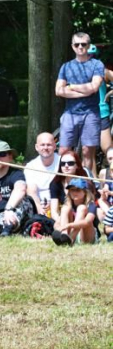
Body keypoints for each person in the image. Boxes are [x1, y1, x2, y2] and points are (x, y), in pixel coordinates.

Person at [55, 32, 104, 171]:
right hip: (70, 113)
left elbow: (94, 87)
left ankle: (84, 183)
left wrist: (71, 87)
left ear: (89, 46)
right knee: (63, 150)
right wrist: (84, 92)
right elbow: (58, 91)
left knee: (87, 151)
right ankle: (65, 183)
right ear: (72, 46)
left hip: (91, 113)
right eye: (77, 44)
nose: (80, 47)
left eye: (83, 44)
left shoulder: (97, 64)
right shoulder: (66, 67)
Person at [52, 178, 98, 245]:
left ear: (85, 192)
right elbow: (57, 223)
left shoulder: (91, 205)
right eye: (72, 190)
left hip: (87, 236)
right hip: (69, 232)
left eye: (78, 190)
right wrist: (59, 228)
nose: (74, 192)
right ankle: (64, 237)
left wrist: (68, 225)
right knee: (65, 208)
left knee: (81, 208)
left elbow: (87, 222)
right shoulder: (68, 205)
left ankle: (71, 238)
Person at [23, 132, 60, 216]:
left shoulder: (63, 162)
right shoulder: (30, 166)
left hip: (59, 202)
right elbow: (31, 191)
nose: (45, 148)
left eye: (49, 145)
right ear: (37, 147)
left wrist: (53, 205)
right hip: (39, 205)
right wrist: (39, 206)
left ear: (54, 146)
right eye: (42, 145)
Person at [49, 151, 90, 224]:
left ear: (77, 165)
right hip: (64, 219)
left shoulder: (85, 182)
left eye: (70, 163)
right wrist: (61, 223)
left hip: (83, 219)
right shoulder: (55, 183)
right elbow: (54, 212)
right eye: (63, 164)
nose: (66, 166)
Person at [88, 44, 113, 156]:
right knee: (88, 152)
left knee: (106, 148)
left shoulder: (103, 70)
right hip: (83, 111)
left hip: (101, 111)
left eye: (91, 55)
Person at [96, 147, 113, 224]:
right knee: (100, 202)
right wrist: (103, 193)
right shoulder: (104, 173)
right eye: (110, 158)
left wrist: (109, 192)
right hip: (110, 204)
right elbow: (104, 197)